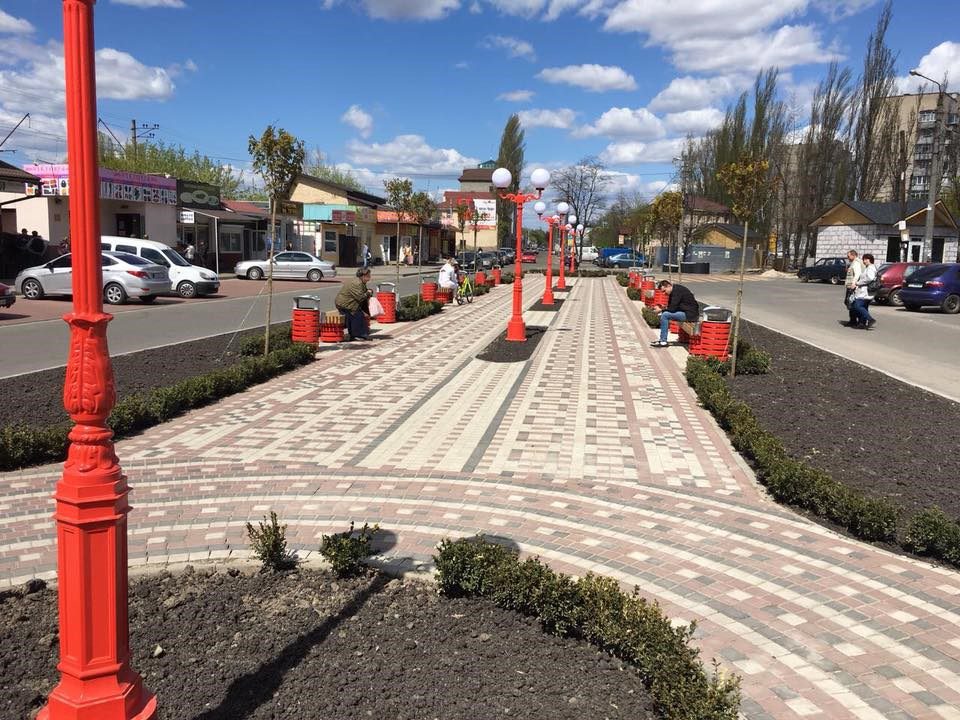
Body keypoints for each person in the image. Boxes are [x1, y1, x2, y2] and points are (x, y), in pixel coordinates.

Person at [650, 279, 698, 348]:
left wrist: (661, 310)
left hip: (690, 314)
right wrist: (662, 307)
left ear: (669, 286)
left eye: (664, 291)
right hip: (685, 312)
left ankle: (663, 341)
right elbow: (671, 306)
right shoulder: (673, 291)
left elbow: (672, 309)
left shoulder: (677, 291)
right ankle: (662, 340)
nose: (664, 293)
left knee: (665, 315)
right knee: (665, 313)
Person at [335, 267, 373, 341]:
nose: (370, 277)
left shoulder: (361, 282)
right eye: (368, 275)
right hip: (345, 304)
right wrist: (368, 293)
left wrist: (368, 292)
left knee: (353, 317)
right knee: (357, 316)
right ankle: (358, 335)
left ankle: (355, 335)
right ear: (363, 276)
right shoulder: (357, 283)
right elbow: (360, 297)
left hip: (349, 303)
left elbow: (363, 293)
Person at [850, 253, 877, 329]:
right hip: (864, 291)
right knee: (864, 307)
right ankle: (862, 323)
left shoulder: (871, 268)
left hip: (865, 292)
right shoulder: (868, 267)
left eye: (865, 259)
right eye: (863, 259)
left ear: (870, 260)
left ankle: (870, 319)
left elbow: (870, 278)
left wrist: (857, 283)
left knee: (857, 306)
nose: (864, 261)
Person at [844, 249, 863, 326]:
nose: (847, 257)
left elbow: (857, 274)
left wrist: (853, 283)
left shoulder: (856, 263)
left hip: (853, 286)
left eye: (848, 256)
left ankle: (856, 320)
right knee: (849, 302)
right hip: (851, 285)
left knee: (850, 302)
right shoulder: (853, 263)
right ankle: (854, 320)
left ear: (853, 255)